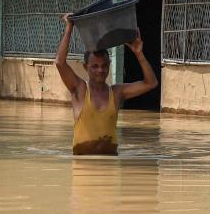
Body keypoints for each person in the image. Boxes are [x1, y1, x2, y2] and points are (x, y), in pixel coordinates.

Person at [55, 13, 158, 155]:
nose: (100, 70)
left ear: (109, 65)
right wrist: (69, 27)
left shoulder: (117, 93)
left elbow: (151, 83)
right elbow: (60, 63)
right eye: (95, 66)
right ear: (85, 67)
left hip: (110, 162)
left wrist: (139, 53)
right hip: (82, 166)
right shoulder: (79, 89)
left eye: (104, 65)